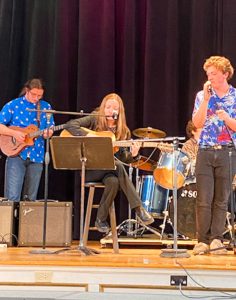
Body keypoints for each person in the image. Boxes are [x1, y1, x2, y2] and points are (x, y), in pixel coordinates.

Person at [66, 92, 154, 233]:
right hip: (90, 169)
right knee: (117, 166)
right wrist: (90, 136)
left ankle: (100, 219)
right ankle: (139, 208)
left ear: (119, 112)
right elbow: (70, 125)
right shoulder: (94, 119)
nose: (110, 110)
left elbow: (123, 159)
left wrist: (133, 154)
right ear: (103, 108)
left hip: (110, 170)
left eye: (114, 108)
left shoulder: (124, 132)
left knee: (113, 181)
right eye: (107, 107)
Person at [192, 56, 236, 255]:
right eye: (208, 74)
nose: (210, 77)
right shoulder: (202, 96)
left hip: (227, 151)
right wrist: (207, 100)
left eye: (214, 73)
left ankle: (217, 239)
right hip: (205, 150)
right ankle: (202, 240)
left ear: (225, 74)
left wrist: (227, 118)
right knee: (204, 197)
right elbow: (197, 123)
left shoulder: (234, 96)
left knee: (221, 198)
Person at [0, 78, 54, 202]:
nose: (36, 98)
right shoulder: (13, 105)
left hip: (37, 155)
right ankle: (10, 222)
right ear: (27, 91)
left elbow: (49, 129)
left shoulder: (46, 107)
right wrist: (14, 133)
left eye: (39, 95)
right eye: (34, 94)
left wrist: (48, 133)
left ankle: (27, 222)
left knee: (30, 199)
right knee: (12, 197)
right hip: (16, 154)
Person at [182, 120, 202, 184]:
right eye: (202, 128)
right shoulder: (188, 145)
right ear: (193, 131)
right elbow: (191, 162)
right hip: (193, 180)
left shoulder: (208, 144)